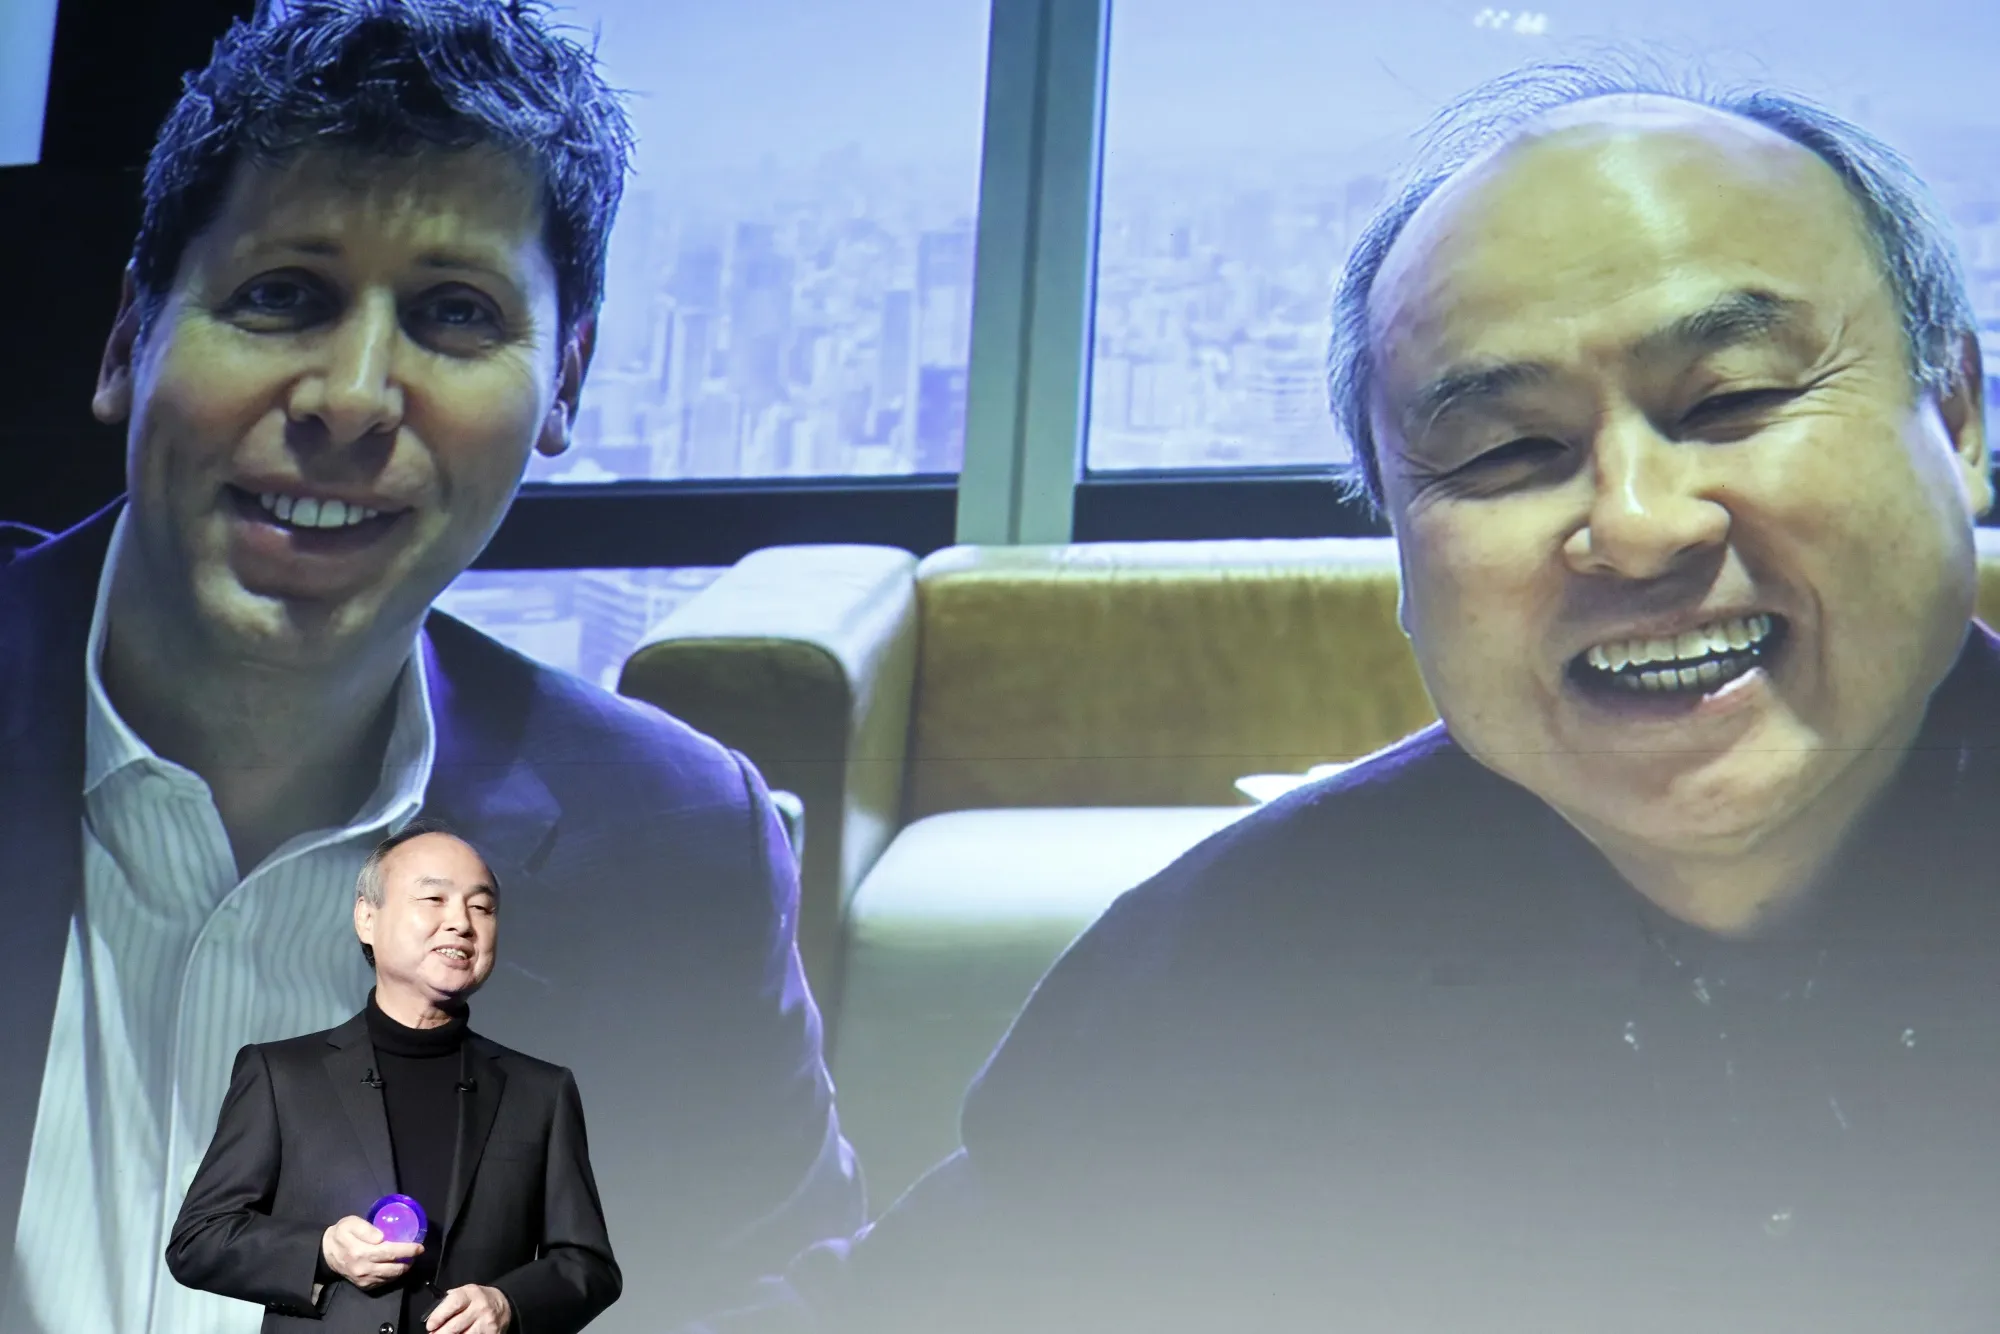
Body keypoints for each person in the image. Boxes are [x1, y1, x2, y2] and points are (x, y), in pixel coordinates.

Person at [765, 62, 2000, 1333]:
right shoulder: (1232, 979)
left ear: (1952, 417)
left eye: (1731, 398)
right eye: (1505, 452)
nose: (1634, 525)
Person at [0, 3, 859, 1331]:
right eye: (282, 294)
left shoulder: (677, 848)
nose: (352, 395)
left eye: (455, 316)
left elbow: (774, 1298)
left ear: (563, 383)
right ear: (129, 340)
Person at [168, 824, 618, 1334]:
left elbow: (589, 1264)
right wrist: (322, 1252)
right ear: (366, 918)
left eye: (482, 908)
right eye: (434, 898)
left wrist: (508, 1303)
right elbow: (198, 1240)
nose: (462, 924)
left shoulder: (540, 1091)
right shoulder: (281, 1074)